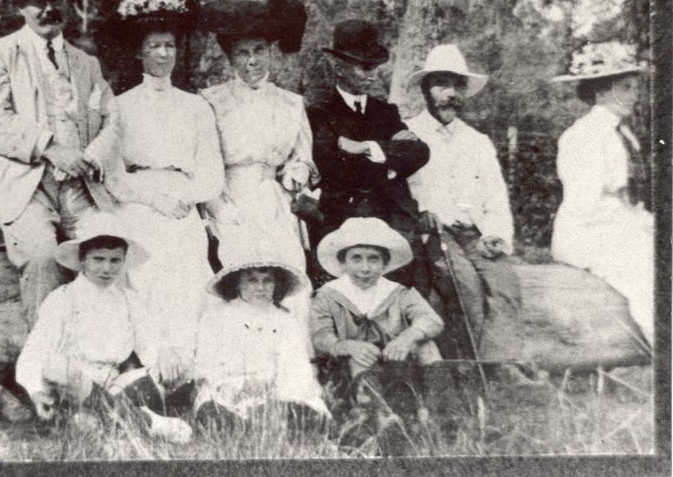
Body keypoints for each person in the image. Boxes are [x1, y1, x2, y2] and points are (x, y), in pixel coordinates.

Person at [0, 0, 118, 328]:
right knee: (42, 256)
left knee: (116, 248)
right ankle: (42, 365)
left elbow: (112, 118)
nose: (49, 8)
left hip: (82, 188)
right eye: (38, 0)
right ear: (20, 6)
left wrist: (93, 156)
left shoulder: (86, 63)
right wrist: (52, 147)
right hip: (26, 185)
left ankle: (111, 355)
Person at [98, 0, 224, 386]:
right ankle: (151, 366)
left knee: (189, 276)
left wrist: (181, 198)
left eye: (170, 45)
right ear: (139, 52)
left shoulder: (196, 106)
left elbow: (211, 174)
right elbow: (115, 175)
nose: (164, 54)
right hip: (138, 202)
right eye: (155, 46)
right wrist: (153, 199)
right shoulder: (120, 105)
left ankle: (186, 368)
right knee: (143, 277)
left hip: (183, 203)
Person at [15, 214, 192, 443]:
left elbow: (150, 343)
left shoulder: (129, 299)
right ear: (82, 261)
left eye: (115, 260)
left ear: (123, 262)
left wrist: (164, 352)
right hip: (74, 385)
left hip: (116, 383)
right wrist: (36, 391)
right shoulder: (63, 298)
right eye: (98, 259)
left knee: (180, 366)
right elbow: (34, 353)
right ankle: (147, 420)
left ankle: (108, 418)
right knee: (56, 366)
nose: (106, 269)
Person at [197, 0, 316, 326]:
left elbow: (302, 158)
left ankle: (296, 360)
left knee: (289, 278)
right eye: (243, 53)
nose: (252, 61)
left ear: (270, 52)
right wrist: (220, 210)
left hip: (276, 200)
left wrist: (297, 173)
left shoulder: (291, 103)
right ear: (231, 57)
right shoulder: (211, 101)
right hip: (230, 200)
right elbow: (204, 163)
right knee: (240, 277)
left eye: (259, 51)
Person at [404, 44, 521, 352]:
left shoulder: (477, 141)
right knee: (465, 288)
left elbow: (496, 196)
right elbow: (400, 193)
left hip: (476, 234)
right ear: (427, 89)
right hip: (435, 234)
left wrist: (494, 233)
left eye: (458, 85)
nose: (451, 93)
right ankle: (470, 372)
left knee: (506, 285)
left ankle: (500, 368)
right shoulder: (407, 134)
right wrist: (421, 215)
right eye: (442, 84)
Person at [299, 20, 430, 288]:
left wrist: (365, 148)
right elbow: (331, 166)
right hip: (340, 215)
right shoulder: (318, 114)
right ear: (339, 67)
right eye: (365, 67)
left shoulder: (386, 111)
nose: (373, 75)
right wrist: (390, 159)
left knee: (406, 286)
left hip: (390, 214)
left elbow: (420, 152)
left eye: (376, 68)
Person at [551, 41, 653, 349]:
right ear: (602, 91)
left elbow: (630, 200)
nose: (636, 95)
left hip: (619, 226)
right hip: (587, 232)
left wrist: (647, 222)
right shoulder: (583, 135)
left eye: (635, 87)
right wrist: (636, 226)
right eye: (626, 87)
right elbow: (586, 205)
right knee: (647, 271)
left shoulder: (624, 134)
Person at [310, 217, 444, 441]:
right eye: (356, 259)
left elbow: (431, 320)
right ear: (343, 262)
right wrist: (347, 345)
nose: (365, 267)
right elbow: (320, 334)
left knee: (426, 345)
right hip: (349, 366)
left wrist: (407, 337)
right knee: (360, 358)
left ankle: (438, 414)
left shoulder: (398, 292)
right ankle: (378, 418)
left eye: (373, 259)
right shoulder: (329, 294)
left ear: (384, 264)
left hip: (396, 360)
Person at [193, 255, 330, 433]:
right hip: (228, 391)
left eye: (267, 281)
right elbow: (206, 362)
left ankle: (265, 422)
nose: (260, 287)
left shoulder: (286, 320)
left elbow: (296, 367)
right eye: (252, 280)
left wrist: (272, 390)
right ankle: (245, 425)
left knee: (307, 414)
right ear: (237, 283)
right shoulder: (216, 317)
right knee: (215, 414)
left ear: (276, 285)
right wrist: (234, 386)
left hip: (276, 393)